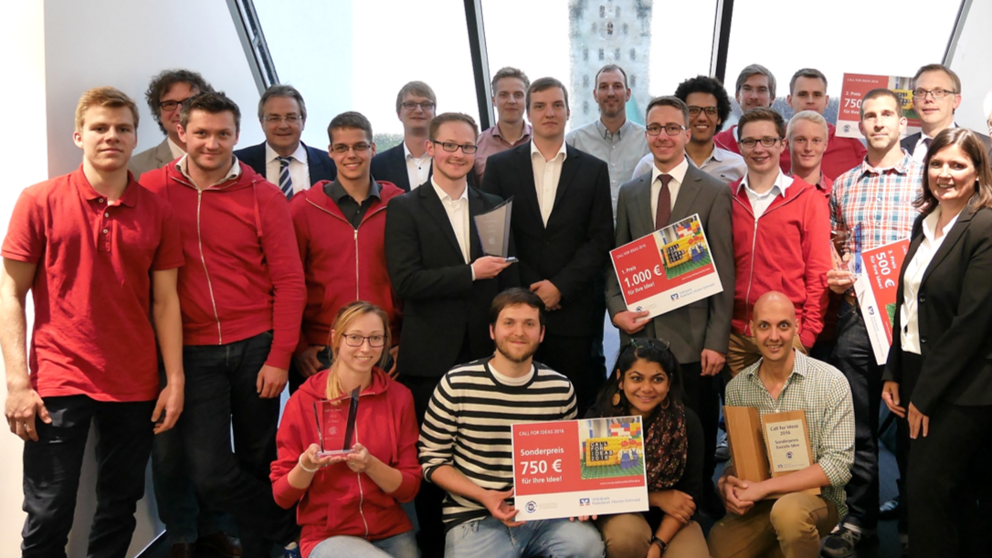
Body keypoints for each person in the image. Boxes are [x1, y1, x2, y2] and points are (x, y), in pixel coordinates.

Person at [1, 87, 184, 558]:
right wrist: (17, 383)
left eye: (123, 128)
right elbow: (10, 294)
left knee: (119, 505)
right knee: (47, 510)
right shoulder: (38, 201)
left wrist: (175, 380)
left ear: (135, 137)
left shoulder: (159, 210)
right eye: (101, 128)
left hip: (135, 382)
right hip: (58, 379)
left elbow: (165, 303)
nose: (112, 137)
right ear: (79, 135)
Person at [140, 91, 306, 557]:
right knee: (209, 470)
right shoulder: (152, 189)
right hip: (192, 352)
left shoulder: (264, 196)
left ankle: (261, 550)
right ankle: (294, 524)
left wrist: (279, 357)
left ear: (237, 135)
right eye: (201, 133)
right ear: (181, 132)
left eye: (223, 134)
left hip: (256, 346)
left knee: (257, 460)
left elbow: (290, 281)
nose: (211, 143)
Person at [385, 112, 518, 558]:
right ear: (430, 148)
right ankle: (432, 545)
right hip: (430, 355)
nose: (458, 154)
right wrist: (469, 274)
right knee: (432, 457)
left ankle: (484, 535)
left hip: (485, 352)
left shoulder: (494, 204)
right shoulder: (404, 207)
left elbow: (501, 283)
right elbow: (405, 282)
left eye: (466, 147)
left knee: (486, 449)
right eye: (449, 145)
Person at [129, 67, 239, 558]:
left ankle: (216, 523)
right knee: (168, 441)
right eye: (171, 105)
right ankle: (180, 534)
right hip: (159, 327)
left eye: (189, 101)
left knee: (213, 445)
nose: (180, 111)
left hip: (222, 332)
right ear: (164, 117)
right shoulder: (140, 172)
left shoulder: (237, 169)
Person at [608, 95, 733, 517]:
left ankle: (692, 515)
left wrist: (717, 340)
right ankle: (640, 509)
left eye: (672, 128)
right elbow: (617, 261)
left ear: (687, 132)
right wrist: (615, 308)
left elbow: (723, 272)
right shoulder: (630, 193)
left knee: (693, 431)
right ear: (646, 134)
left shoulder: (715, 192)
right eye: (655, 128)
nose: (663, 136)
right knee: (638, 433)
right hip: (641, 335)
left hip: (694, 341)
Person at [418, 288, 604, 558]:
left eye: (529, 324)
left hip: (545, 516)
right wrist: (484, 495)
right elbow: (432, 461)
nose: (519, 332)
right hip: (474, 517)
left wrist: (578, 499)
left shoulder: (560, 388)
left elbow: (570, 460)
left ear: (541, 333)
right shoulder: (457, 384)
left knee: (587, 546)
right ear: (492, 330)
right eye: (509, 323)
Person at [822, 88, 924, 558]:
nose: (879, 122)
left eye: (888, 115)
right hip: (859, 319)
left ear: (903, 124)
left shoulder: (926, 179)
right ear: (858, 125)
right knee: (857, 424)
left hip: (914, 318)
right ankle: (858, 518)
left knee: (912, 423)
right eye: (870, 115)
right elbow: (837, 248)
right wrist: (839, 271)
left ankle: (912, 519)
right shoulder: (843, 185)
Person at [881, 128, 992, 557]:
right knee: (942, 496)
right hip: (914, 371)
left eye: (957, 165)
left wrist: (923, 395)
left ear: (978, 171)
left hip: (960, 387)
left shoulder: (984, 226)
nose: (945, 173)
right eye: (937, 163)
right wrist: (894, 372)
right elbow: (909, 305)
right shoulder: (924, 223)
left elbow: (973, 323)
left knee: (929, 497)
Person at [482, 77, 614, 413]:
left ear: (569, 112)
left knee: (575, 401)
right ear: (528, 113)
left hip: (575, 309)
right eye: (539, 106)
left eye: (557, 105)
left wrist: (560, 286)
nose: (549, 113)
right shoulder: (500, 167)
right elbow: (496, 237)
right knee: (517, 404)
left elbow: (600, 239)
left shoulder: (594, 170)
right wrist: (527, 291)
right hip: (516, 308)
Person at [708, 292, 855, 558]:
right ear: (752, 329)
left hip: (818, 499)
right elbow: (737, 460)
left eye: (783, 326)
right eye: (764, 326)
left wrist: (764, 488)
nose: (773, 336)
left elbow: (838, 467)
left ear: (796, 327)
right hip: (762, 502)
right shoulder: (737, 388)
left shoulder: (831, 382)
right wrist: (726, 482)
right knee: (720, 543)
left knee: (788, 516)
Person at [271, 301, 421, 558]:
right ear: (335, 339)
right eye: (355, 338)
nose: (366, 348)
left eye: (375, 338)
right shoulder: (304, 400)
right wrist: (307, 465)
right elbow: (282, 496)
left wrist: (370, 465)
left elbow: (408, 488)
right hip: (327, 533)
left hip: (390, 528)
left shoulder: (400, 397)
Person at [290, 111, 404, 392]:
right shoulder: (303, 208)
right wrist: (300, 347)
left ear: (373, 149)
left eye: (359, 146)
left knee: (385, 433)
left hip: (385, 346)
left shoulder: (401, 205)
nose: (351, 155)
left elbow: (412, 279)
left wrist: (407, 342)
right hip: (322, 350)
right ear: (330, 152)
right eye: (341, 147)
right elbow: (289, 282)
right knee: (322, 435)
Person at [726, 108, 831, 377]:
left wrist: (806, 336)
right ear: (739, 146)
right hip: (735, 337)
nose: (759, 149)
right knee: (740, 419)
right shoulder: (727, 198)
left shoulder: (808, 199)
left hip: (785, 335)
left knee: (783, 419)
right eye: (750, 141)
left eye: (768, 140)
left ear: (782, 144)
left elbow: (819, 273)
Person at [589, 339, 711, 558]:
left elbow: (690, 495)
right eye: (636, 378)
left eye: (657, 379)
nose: (646, 388)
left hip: (673, 518)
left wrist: (658, 546)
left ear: (669, 382)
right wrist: (657, 497)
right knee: (626, 538)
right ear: (620, 379)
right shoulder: (600, 420)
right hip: (621, 512)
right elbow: (594, 492)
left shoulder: (686, 422)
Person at [566, 64, 649, 214]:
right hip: (589, 233)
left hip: (635, 232)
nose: (610, 93)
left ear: (628, 93)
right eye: (603, 87)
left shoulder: (647, 141)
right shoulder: (574, 142)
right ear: (595, 95)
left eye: (617, 86)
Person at [632, 75, 745, 184]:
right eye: (693, 110)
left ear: (719, 118)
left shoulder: (739, 167)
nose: (702, 118)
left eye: (710, 110)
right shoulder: (649, 165)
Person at [235, 84, 337, 197]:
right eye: (274, 118)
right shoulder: (238, 164)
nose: (283, 125)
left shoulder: (332, 164)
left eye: (291, 118)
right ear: (262, 123)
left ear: (303, 122)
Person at [784, 68, 866, 180]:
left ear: (826, 101)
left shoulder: (849, 143)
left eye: (817, 95)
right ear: (789, 100)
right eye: (802, 94)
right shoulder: (773, 142)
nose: (810, 100)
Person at [130, 69, 213, 177]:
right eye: (169, 104)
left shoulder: (229, 161)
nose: (179, 111)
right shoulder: (136, 168)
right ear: (158, 113)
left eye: (188, 102)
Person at [902, 64, 992, 162]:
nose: (928, 98)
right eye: (921, 92)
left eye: (939, 92)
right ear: (913, 101)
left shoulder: (985, 147)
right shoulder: (899, 149)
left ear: (956, 101)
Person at [372, 81, 437, 192]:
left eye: (426, 104)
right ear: (398, 113)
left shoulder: (450, 161)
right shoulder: (377, 165)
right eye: (410, 104)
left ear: (434, 113)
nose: (418, 110)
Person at [475, 67, 532, 183]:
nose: (511, 101)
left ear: (527, 100)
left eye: (518, 95)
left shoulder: (542, 141)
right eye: (504, 95)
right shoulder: (477, 145)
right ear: (494, 100)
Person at [713, 64, 777, 156]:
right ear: (737, 96)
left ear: (772, 97)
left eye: (761, 90)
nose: (754, 96)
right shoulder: (716, 144)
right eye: (747, 89)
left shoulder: (786, 149)